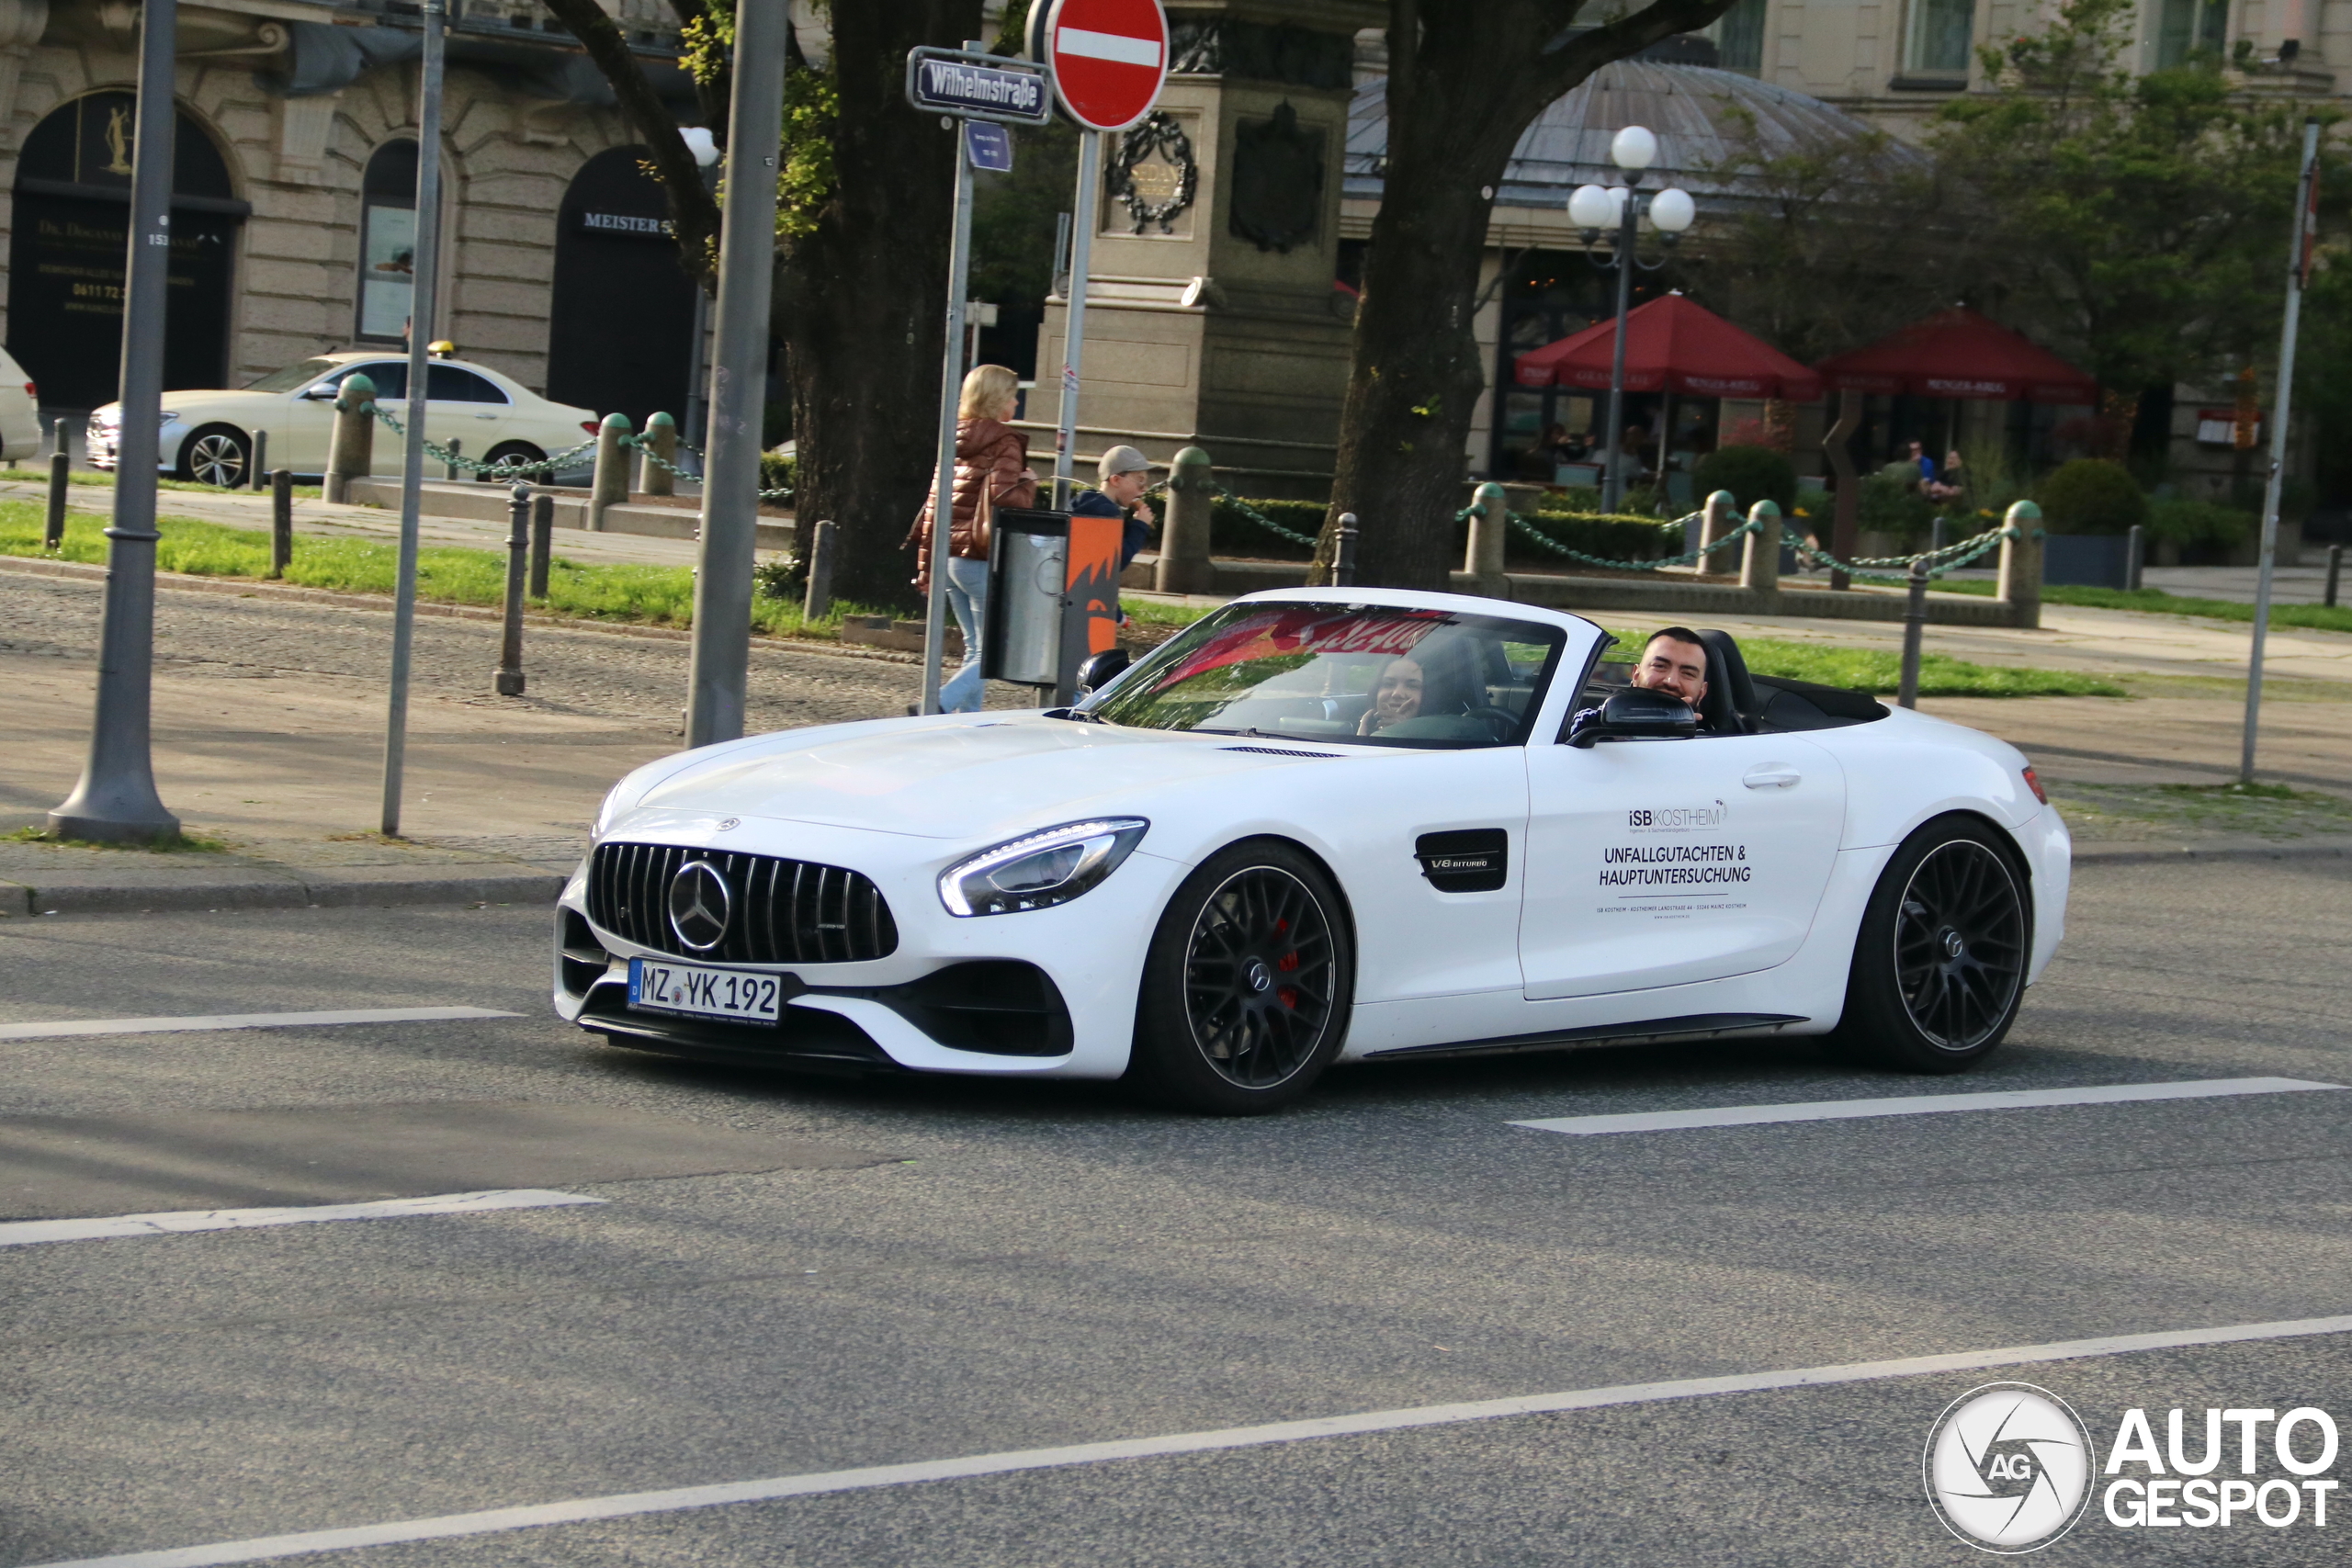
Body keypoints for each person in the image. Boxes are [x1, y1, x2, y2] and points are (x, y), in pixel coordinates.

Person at [903, 363, 1036, 712]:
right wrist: (1030, 483)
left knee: (976, 648)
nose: (1017, 404)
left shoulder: (955, 437)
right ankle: (936, 705)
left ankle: (965, 721)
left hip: (949, 559)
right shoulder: (1004, 442)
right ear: (997, 399)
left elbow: (933, 505)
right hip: (979, 558)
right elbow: (1006, 501)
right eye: (1013, 396)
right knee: (994, 651)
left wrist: (926, 567)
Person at [1070, 445, 1158, 622]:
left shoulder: (1088, 504)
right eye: (1139, 480)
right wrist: (1140, 525)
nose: (1143, 489)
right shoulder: (1106, 513)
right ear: (1116, 480)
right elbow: (1114, 563)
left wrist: (1117, 614)